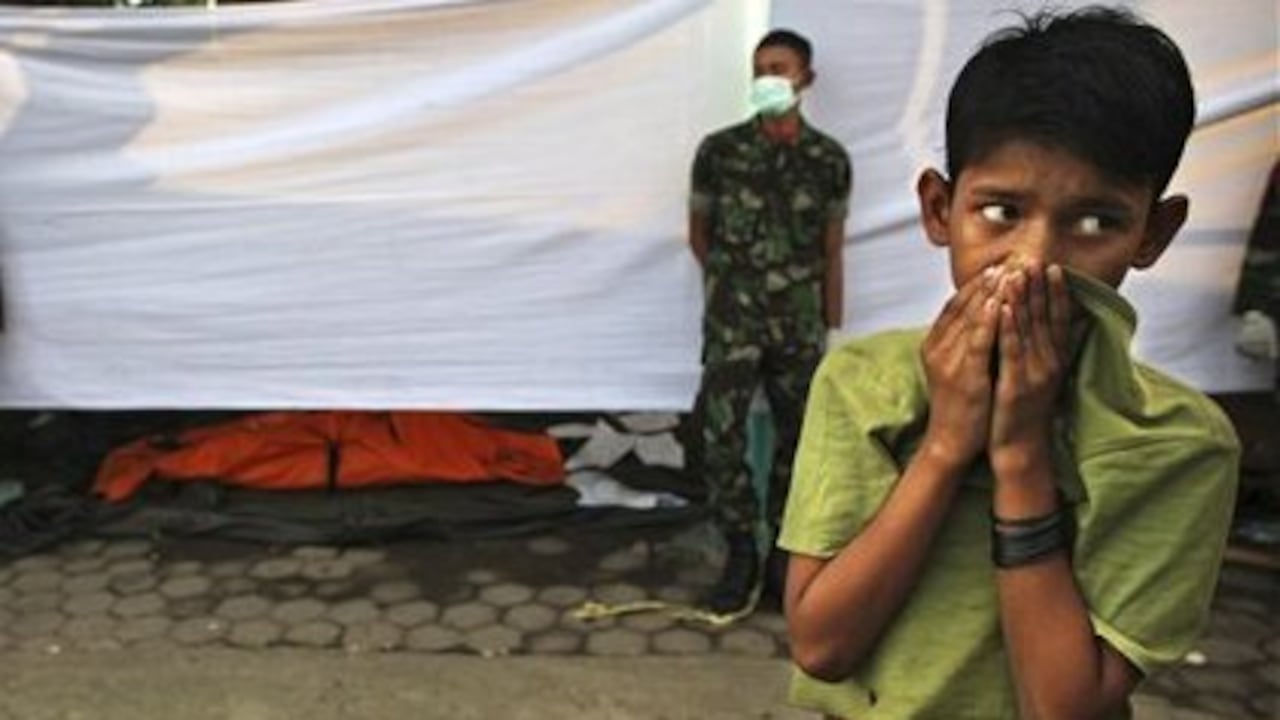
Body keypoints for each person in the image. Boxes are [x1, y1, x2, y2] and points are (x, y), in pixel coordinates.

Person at [779, 7, 1240, 718]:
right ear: (940, 209)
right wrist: (943, 447)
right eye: (999, 212)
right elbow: (820, 644)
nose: (1032, 262)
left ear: (1153, 233)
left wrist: (1021, 454)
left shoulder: (1175, 445)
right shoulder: (865, 384)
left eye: (1096, 222)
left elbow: (1063, 708)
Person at [688, 28, 852, 614]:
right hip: (733, 320)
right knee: (719, 437)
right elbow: (698, 235)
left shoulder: (828, 159)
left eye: (779, 67)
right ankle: (740, 550)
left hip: (799, 325)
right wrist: (734, 285)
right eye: (760, 68)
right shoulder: (719, 151)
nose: (768, 78)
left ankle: (785, 556)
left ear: (805, 78)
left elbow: (833, 248)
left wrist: (830, 319)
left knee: (801, 443)